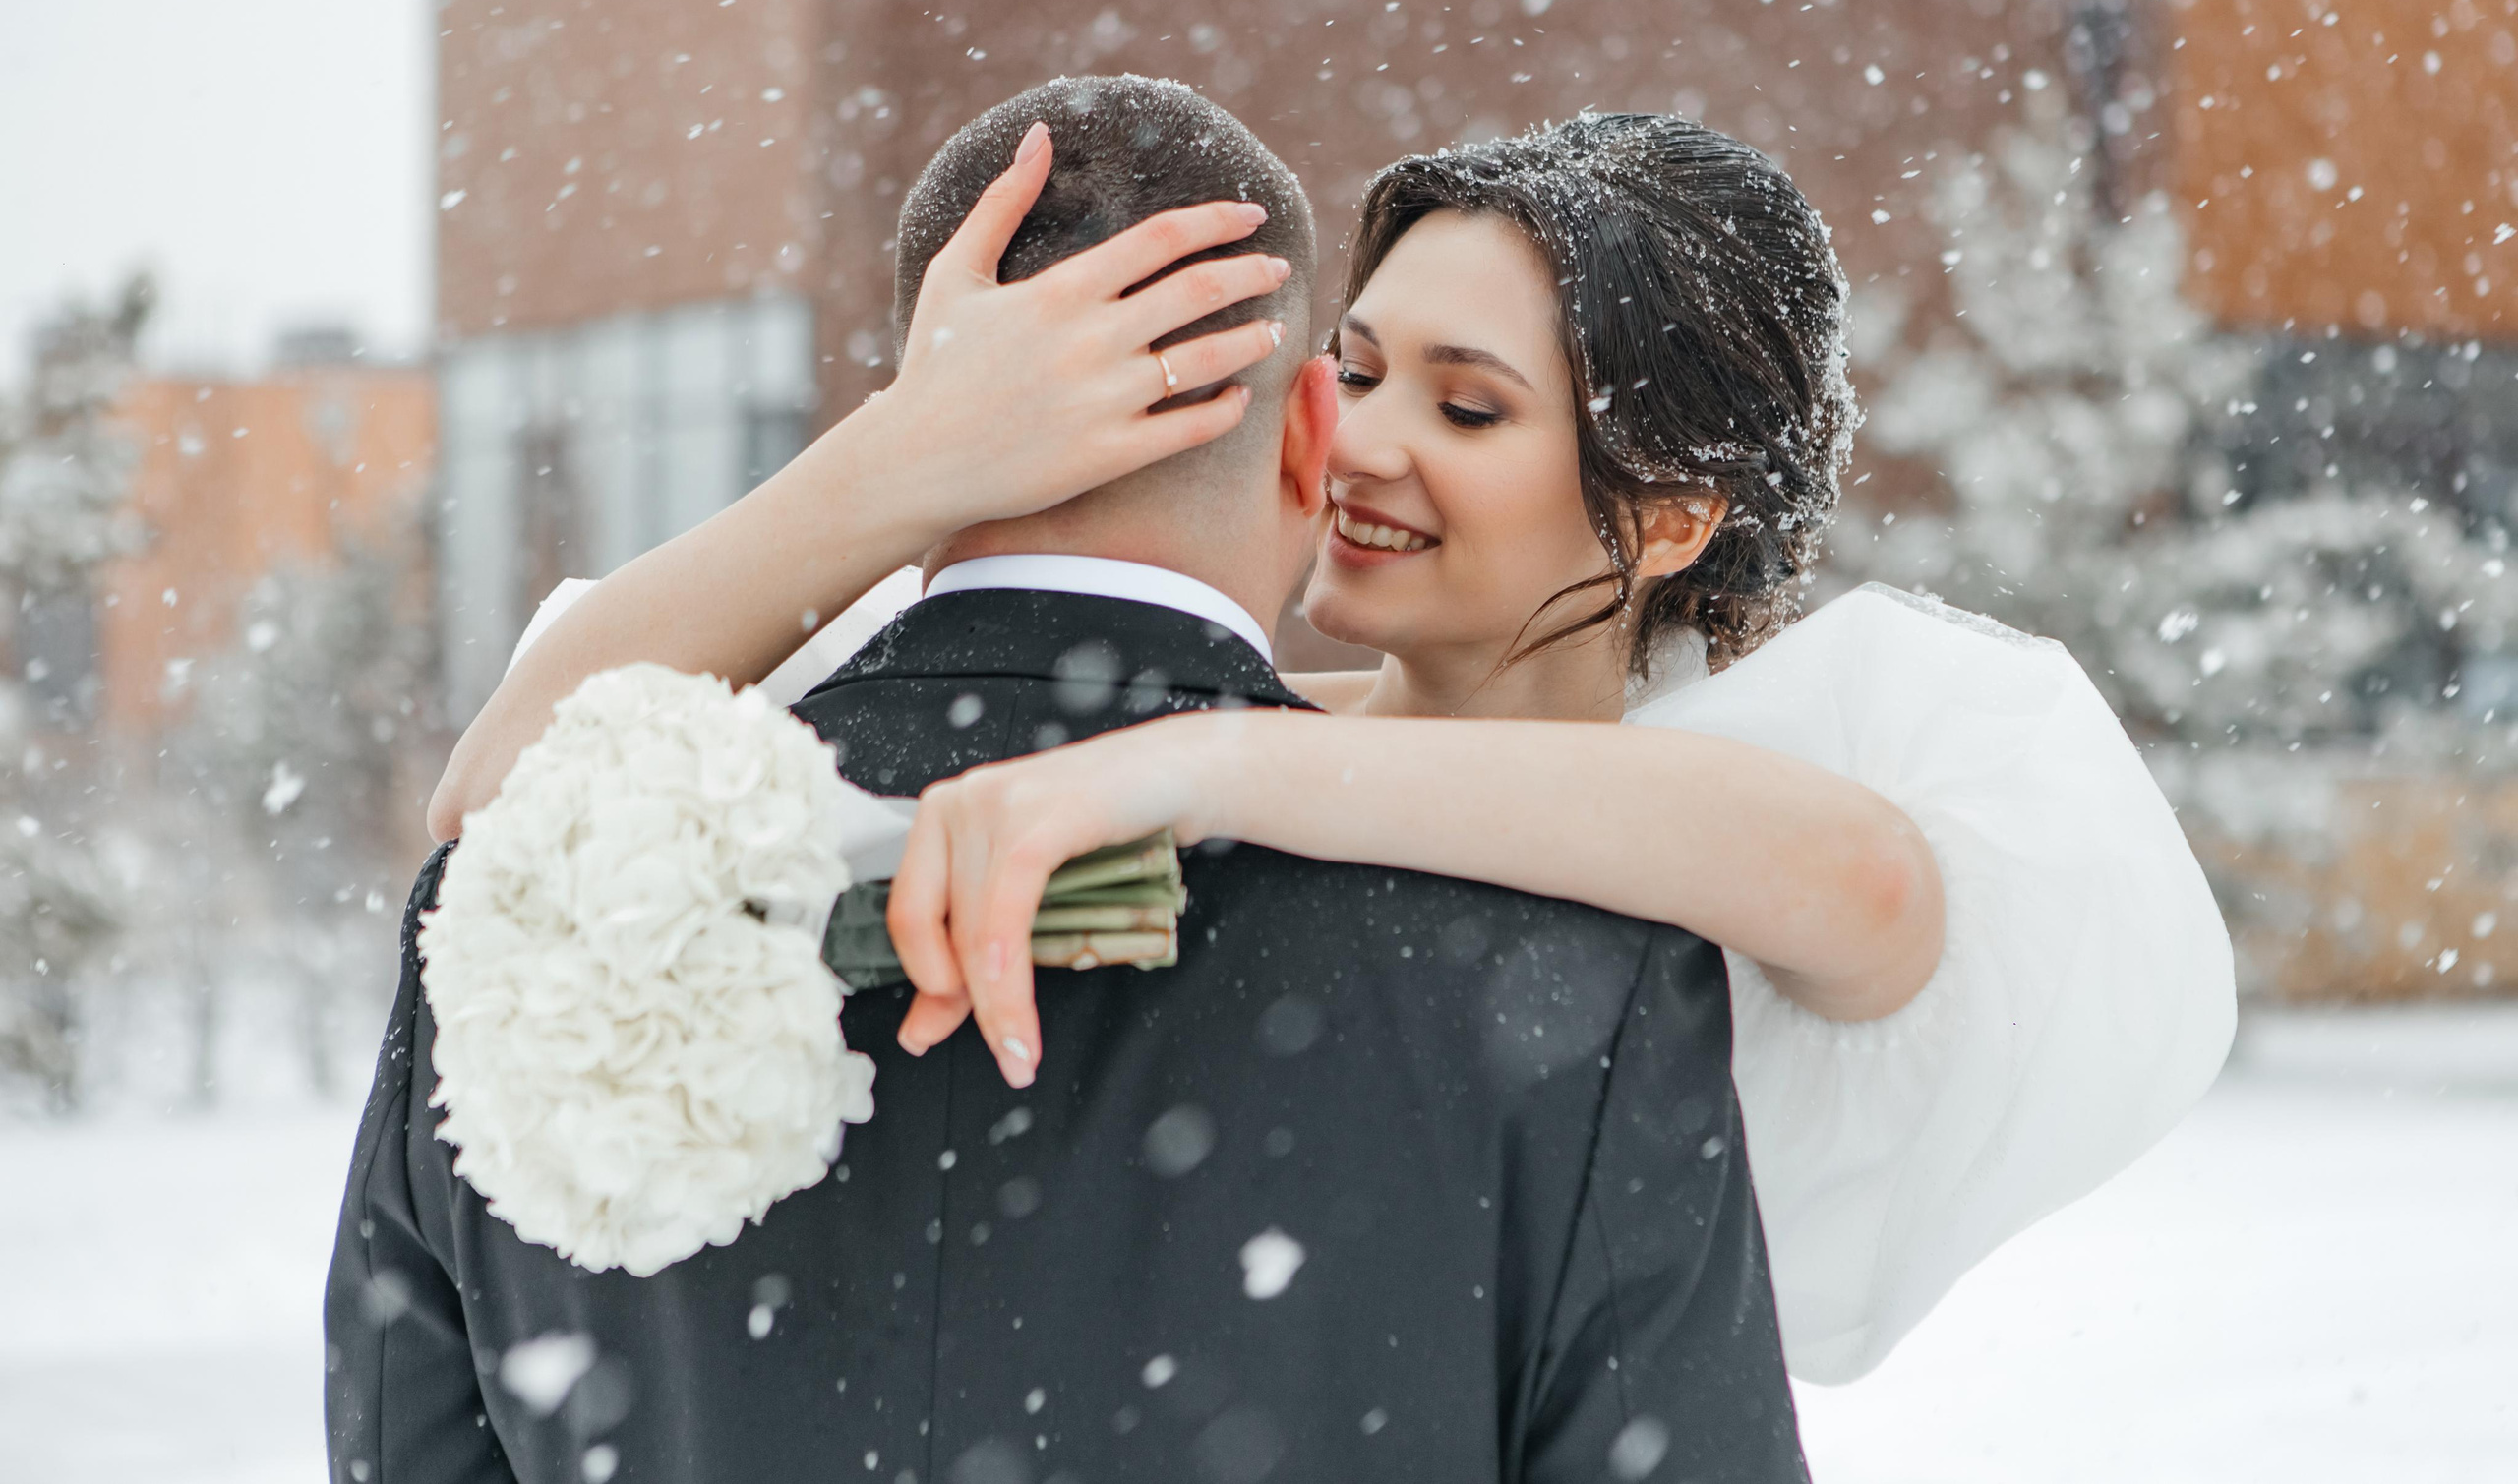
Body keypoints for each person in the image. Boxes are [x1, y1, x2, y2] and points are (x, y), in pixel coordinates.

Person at [466, 89, 2237, 1387]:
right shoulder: (1137, 723)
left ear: (1673, 519)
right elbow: (493, 807)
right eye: (1361, 367)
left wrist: (1203, 766)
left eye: (1468, 406)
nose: (1361, 443)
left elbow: (1862, 879)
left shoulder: (1739, 808)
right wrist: (911, 457)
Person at [331, 75, 1810, 1484]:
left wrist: (902, 457)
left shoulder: (519, 908)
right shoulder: (1575, 965)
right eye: (1357, 378)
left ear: (921, 405)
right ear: (1310, 427)